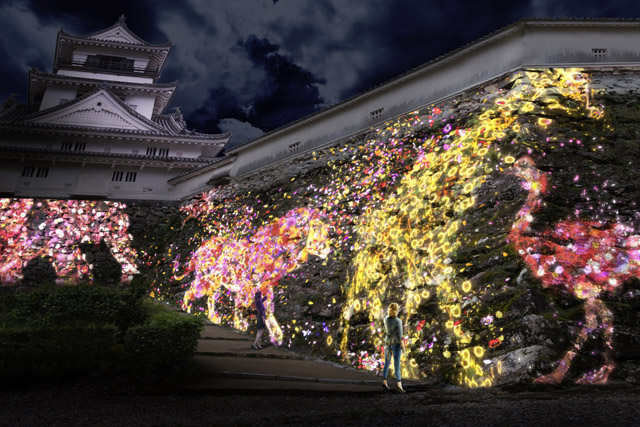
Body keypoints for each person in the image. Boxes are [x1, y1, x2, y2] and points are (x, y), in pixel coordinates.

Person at [382, 302, 405, 392]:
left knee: (386, 364)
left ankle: (384, 383)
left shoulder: (386, 319)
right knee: (396, 365)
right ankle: (399, 386)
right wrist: (403, 346)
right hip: (396, 344)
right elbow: (400, 335)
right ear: (397, 310)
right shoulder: (398, 321)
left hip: (387, 343)